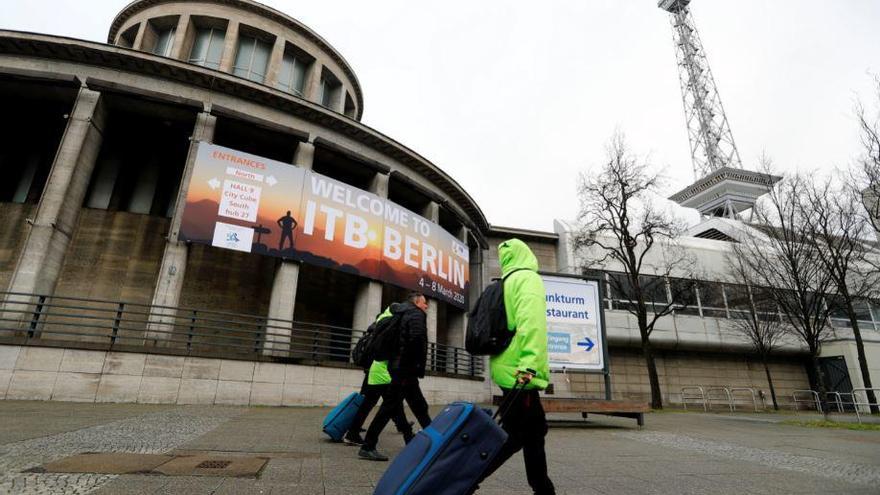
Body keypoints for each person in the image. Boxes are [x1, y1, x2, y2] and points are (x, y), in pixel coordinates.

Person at [474, 238, 555, 494]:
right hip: (521, 371)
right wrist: (530, 365)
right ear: (528, 254)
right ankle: (464, 480)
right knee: (517, 435)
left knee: (531, 431)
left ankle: (542, 489)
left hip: (505, 367)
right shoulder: (527, 280)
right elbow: (532, 325)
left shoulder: (505, 283)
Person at [358, 292, 433, 461]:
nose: (426, 306)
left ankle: (426, 440)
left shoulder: (400, 313)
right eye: (424, 302)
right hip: (405, 368)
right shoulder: (415, 313)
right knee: (394, 406)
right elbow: (416, 340)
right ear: (416, 302)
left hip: (397, 366)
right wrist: (414, 365)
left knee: (416, 405)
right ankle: (368, 445)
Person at [344, 306, 415, 446]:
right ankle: (406, 434)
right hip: (381, 371)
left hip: (374, 370)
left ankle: (353, 433)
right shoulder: (389, 324)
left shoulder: (380, 322)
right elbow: (385, 350)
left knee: (371, 403)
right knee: (392, 403)